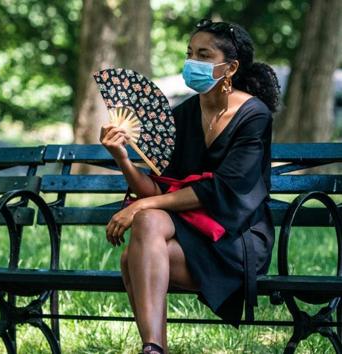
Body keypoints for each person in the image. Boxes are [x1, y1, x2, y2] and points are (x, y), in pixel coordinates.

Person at [100, 19, 280, 354]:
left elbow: (224, 191)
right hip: (189, 231)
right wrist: (123, 158)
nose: (191, 62)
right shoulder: (182, 115)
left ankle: (154, 349)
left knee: (132, 254)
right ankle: (153, 349)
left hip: (236, 237)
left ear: (231, 67)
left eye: (203, 54)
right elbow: (157, 192)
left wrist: (140, 206)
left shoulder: (254, 116)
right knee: (146, 225)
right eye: (188, 53)